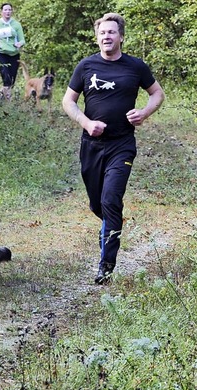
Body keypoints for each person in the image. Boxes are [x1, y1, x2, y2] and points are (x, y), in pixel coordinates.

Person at [62, 13, 164, 284]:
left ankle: (106, 264)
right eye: (102, 33)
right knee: (98, 204)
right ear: (97, 37)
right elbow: (68, 101)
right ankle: (110, 222)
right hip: (92, 146)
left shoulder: (136, 67)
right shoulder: (86, 66)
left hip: (122, 145)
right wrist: (85, 122)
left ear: (121, 37)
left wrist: (144, 113)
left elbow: (157, 93)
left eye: (111, 32)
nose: (106, 37)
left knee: (110, 200)